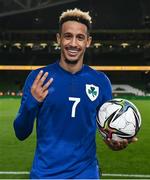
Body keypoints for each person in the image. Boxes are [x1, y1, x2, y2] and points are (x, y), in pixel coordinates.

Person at [13, 8, 136, 179]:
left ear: (88, 41)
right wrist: (32, 102)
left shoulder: (100, 81)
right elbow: (20, 132)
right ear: (59, 39)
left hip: (86, 174)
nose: (73, 43)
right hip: (45, 175)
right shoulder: (38, 78)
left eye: (80, 37)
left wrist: (113, 142)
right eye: (68, 36)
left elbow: (107, 130)